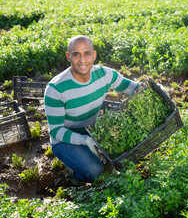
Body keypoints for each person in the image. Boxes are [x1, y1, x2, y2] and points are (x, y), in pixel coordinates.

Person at [44, 35, 140, 185]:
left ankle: (95, 159)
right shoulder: (55, 89)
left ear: (94, 55)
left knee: (124, 151)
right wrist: (84, 140)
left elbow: (133, 88)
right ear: (68, 57)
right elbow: (56, 131)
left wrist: (154, 87)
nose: (82, 60)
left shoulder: (105, 75)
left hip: (92, 131)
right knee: (96, 171)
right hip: (65, 140)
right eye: (76, 55)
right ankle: (74, 174)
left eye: (87, 53)